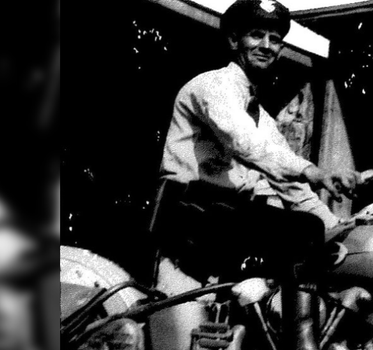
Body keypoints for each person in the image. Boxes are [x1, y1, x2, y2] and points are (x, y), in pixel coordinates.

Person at [149, 1, 360, 350]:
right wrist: (313, 171)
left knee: (315, 232)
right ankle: (297, 341)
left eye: (275, 38)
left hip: (224, 215)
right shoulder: (212, 87)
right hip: (188, 212)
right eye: (256, 35)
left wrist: (341, 230)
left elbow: (286, 179)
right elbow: (245, 142)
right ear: (234, 40)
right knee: (300, 232)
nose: (266, 45)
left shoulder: (260, 116)